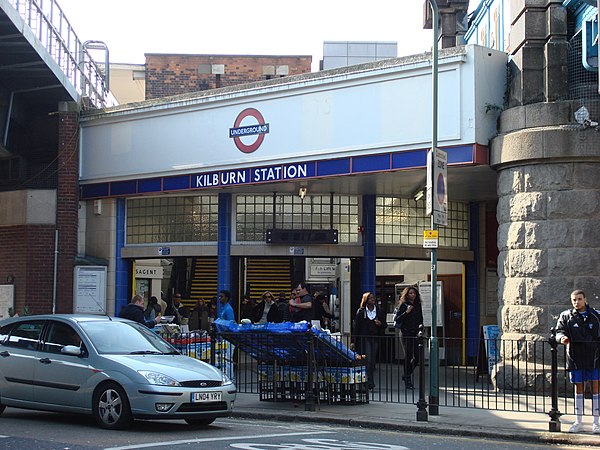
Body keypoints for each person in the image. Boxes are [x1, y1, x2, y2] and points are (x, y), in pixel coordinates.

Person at [555, 289, 600, 434]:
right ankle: (578, 422)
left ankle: (596, 423)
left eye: (579, 299)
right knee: (578, 389)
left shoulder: (596, 315)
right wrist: (562, 338)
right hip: (575, 357)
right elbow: (558, 331)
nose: (576, 302)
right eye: (574, 300)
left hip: (594, 357)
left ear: (585, 299)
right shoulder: (566, 316)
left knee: (595, 388)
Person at [394, 286, 424, 390]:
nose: (413, 295)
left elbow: (420, 318)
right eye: (411, 293)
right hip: (406, 333)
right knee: (408, 355)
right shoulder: (404, 305)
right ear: (407, 295)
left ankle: (407, 373)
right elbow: (397, 318)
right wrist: (407, 312)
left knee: (417, 356)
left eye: (414, 293)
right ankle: (407, 379)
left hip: (415, 333)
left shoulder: (417, 305)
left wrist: (421, 328)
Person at [354, 291, 384, 389]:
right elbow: (357, 327)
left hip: (374, 337)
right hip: (364, 337)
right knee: (367, 359)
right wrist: (354, 341)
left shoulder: (379, 311)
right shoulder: (361, 311)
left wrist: (380, 324)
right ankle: (368, 380)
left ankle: (368, 379)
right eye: (370, 298)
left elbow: (384, 324)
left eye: (373, 298)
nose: (373, 300)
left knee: (372, 360)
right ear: (366, 300)